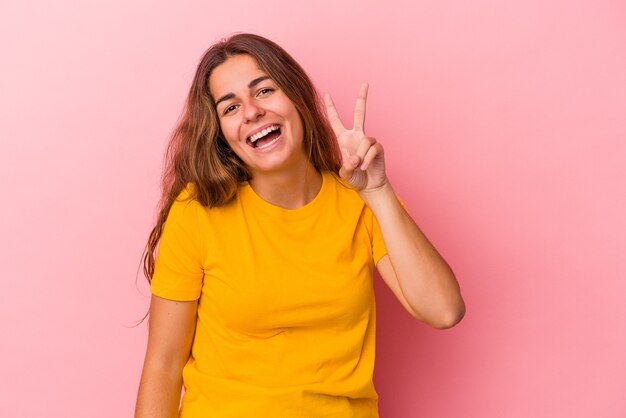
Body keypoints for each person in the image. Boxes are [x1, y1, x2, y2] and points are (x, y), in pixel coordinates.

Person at [135, 33, 465, 418]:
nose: (251, 112)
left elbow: (444, 310)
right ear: (223, 136)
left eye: (263, 91)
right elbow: (163, 364)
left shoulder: (360, 202)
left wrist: (378, 192)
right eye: (230, 107)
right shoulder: (198, 211)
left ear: (296, 97)